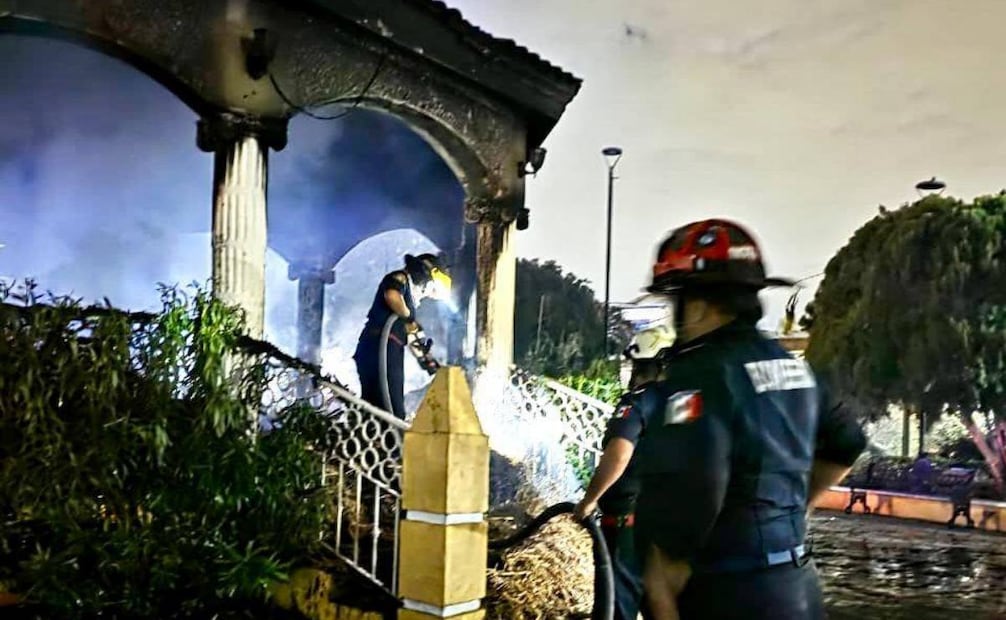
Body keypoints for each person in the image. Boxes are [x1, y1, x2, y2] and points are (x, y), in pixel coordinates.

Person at [578, 219, 866, 620]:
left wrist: (663, 573)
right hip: (797, 583)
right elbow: (848, 443)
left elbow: (699, 484)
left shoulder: (700, 373)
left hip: (729, 590)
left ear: (697, 304)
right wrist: (798, 509)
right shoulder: (795, 368)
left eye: (676, 301)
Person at [577, 325, 674, 620]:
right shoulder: (682, 403)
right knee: (658, 600)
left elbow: (619, 452)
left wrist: (589, 500)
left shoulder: (638, 401)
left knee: (618, 603)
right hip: (665, 522)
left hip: (626, 523)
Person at [353, 253, 451, 420]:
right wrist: (409, 317)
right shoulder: (400, 277)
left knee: (379, 405)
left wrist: (427, 360)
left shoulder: (410, 304)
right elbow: (392, 295)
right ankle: (389, 439)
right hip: (380, 345)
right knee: (390, 408)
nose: (427, 292)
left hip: (390, 349)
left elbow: (412, 335)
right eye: (430, 287)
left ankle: (373, 438)